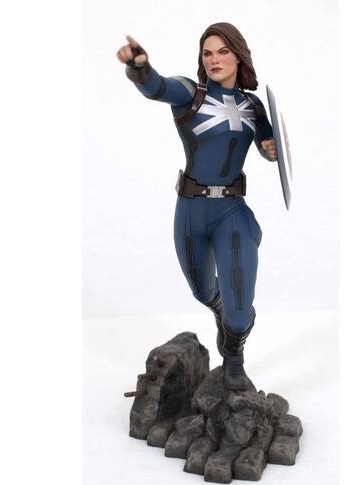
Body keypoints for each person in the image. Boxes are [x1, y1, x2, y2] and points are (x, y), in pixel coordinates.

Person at [117, 22, 277, 391]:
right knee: (204, 291)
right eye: (207, 53)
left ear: (238, 55)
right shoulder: (191, 94)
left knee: (240, 311)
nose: (214, 59)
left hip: (232, 212)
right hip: (191, 211)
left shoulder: (253, 106)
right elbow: (158, 86)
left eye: (223, 51)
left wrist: (270, 150)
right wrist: (140, 67)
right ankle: (221, 309)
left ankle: (233, 357)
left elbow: (270, 145)